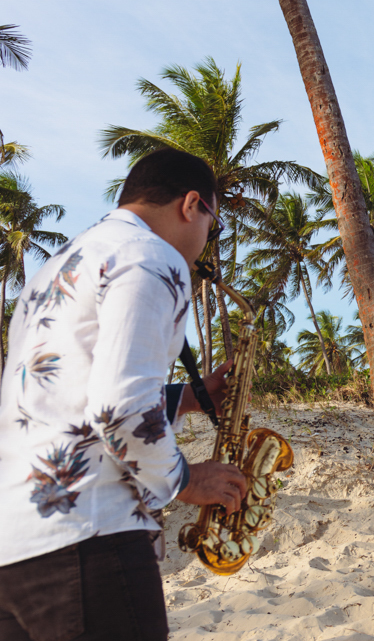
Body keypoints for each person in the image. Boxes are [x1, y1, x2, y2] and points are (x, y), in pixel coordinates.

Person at [0, 148, 248, 641]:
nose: (207, 240)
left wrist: (189, 397)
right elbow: (119, 408)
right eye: (213, 225)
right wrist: (185, 480)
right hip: (89, 537)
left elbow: (67, 393)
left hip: (14, 547)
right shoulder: (152, 255)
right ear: (191, 205)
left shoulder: (60, 265)